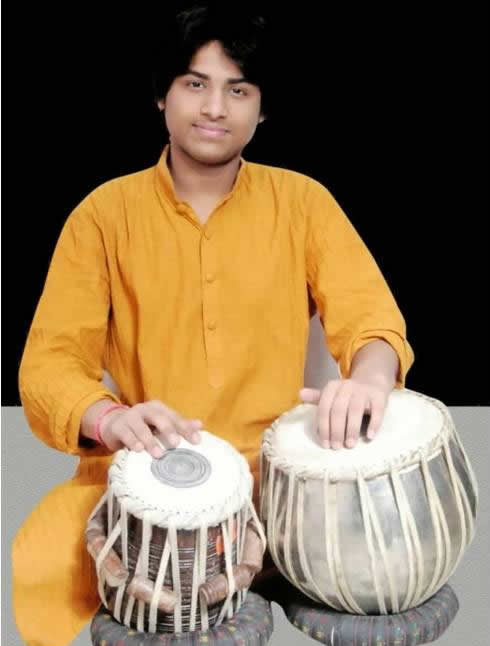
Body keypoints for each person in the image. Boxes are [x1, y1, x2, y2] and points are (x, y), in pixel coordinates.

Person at [12, 4, 414, 645]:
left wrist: (368, 378)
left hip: (281, 487)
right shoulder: (102, 215)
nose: (215, 108)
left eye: (239, 89)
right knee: (41, 567)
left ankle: (265, 575)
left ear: (262, 109)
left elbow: (373, 322)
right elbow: (49, 364)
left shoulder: (303, 202)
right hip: (142, 480)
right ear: (162, 97)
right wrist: (109, 418)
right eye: (195, 84)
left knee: (390, 566)